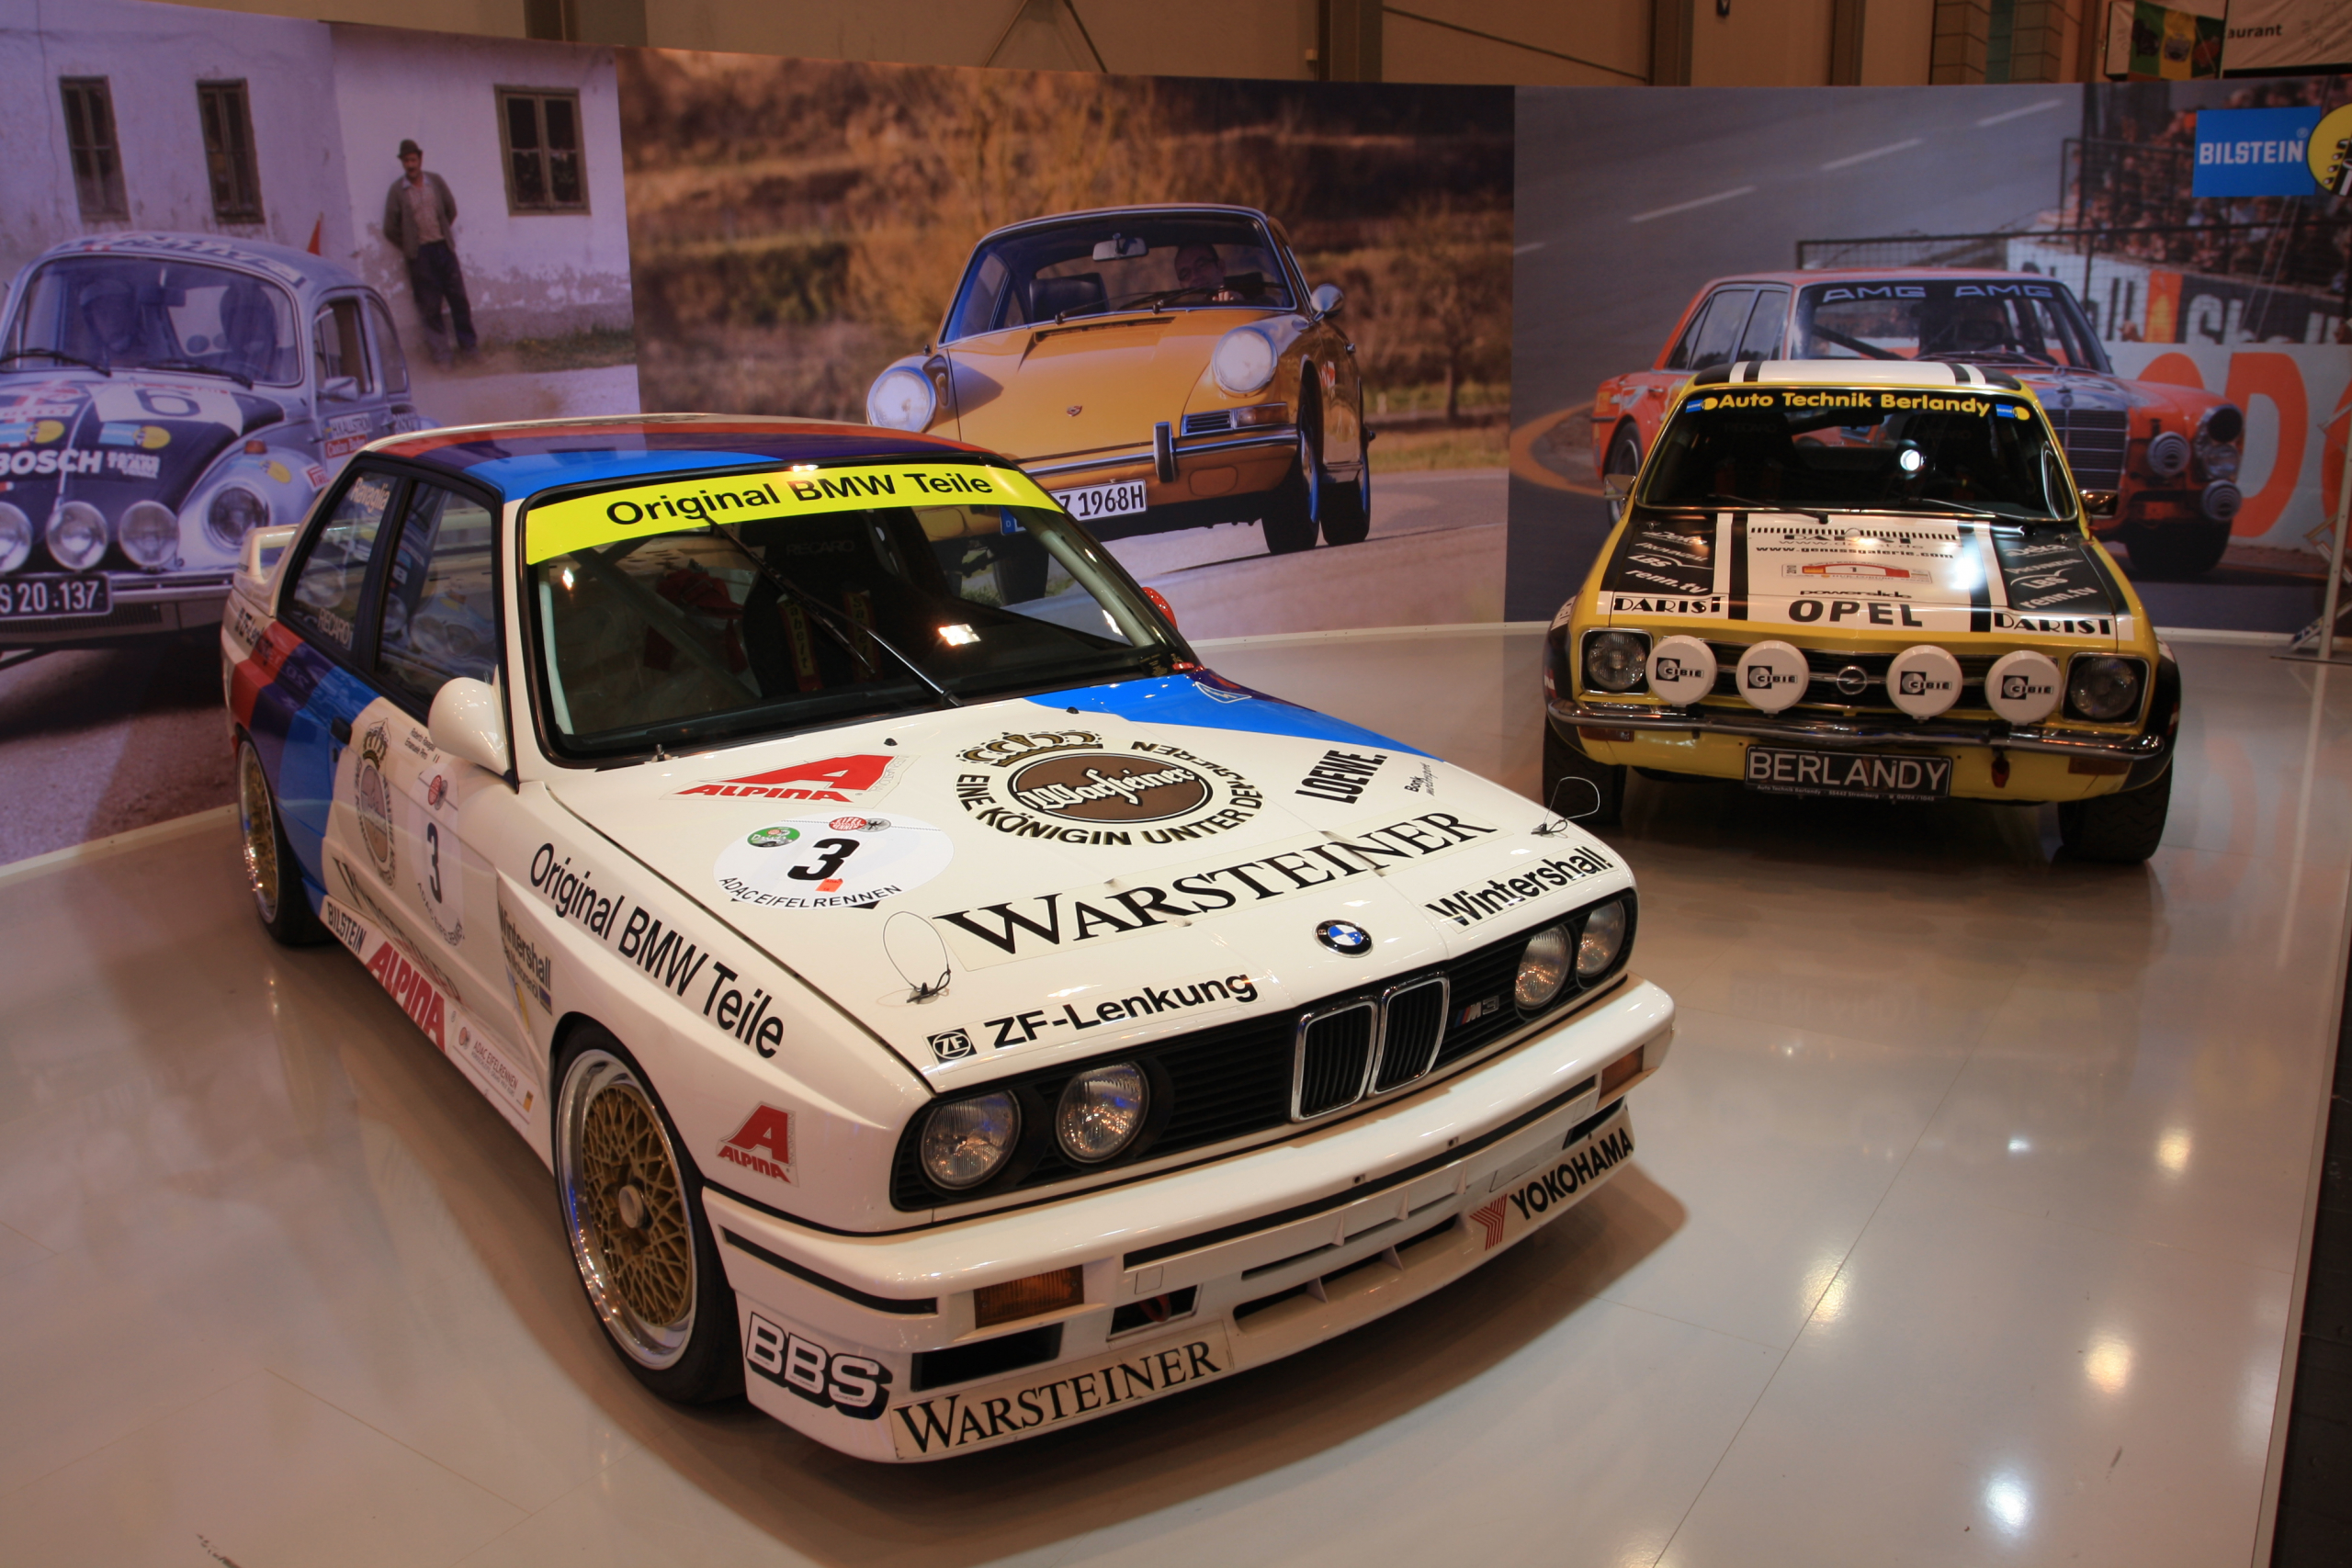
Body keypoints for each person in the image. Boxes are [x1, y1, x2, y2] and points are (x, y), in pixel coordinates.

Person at [382, 140, 477, 359]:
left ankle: (470, 349)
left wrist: (442, 233)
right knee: (430, 306)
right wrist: (409, 245)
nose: (410, 165)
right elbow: (389, 227)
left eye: (413, 159)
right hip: (420, 256)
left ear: (420, 159)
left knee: (459, 299)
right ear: (403, 163)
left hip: (444, 248)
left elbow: (450, 209)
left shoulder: (435, 182)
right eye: (406, 161)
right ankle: (442, 356)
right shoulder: (397, 190)